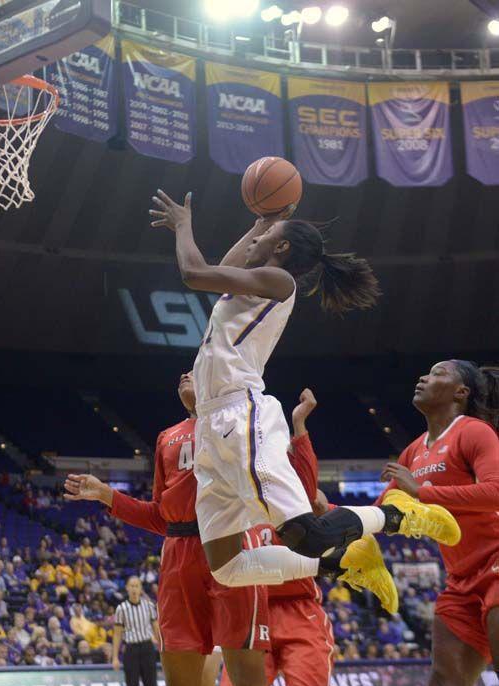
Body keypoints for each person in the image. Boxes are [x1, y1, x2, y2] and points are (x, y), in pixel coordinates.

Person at [148, 190, 459, 614]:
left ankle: (396, 515)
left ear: (282, 248)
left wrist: (184, 225)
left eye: (266, 236)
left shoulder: (280, 282)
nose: (255, 240)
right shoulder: (252, 281)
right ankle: (345, 560)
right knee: (227, 566)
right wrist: (260, 224)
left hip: (240, 417)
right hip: (211, 425)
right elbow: (221, 267)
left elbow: (195, 273)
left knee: (305, 533)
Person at [65, 373, 273, 686]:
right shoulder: (167, 437)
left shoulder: (241, 420)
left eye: (195, 369)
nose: (184, 375)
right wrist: (106, 494)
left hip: (229, 541)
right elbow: (162, 518)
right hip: (179, 553)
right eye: (182, 374)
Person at [377, 360, 499, 686]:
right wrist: (331, 513)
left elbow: (495, 492)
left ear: (460, 393)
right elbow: (385, 512)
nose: (424, 377)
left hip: (496, 560)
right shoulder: (413, 451)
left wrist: (424, 492)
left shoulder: (474, 432)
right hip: (461, 578)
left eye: (438, 374)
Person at [219, 389, 341, 686]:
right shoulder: (231, 483)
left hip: (299, 610)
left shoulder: (290, 485)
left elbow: (306, 475)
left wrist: (299, 424)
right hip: (250, 607)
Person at [112, 577, 159, 686]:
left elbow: (156, 628)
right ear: (127, 588)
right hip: (131, 650)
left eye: (136, 586)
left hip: (147, 649)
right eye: (131, 586)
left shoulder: (149, 606)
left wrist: (161, 647)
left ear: (140, 588)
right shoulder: (121, 609)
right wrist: (114, 657)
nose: (134, 589)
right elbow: (117, 633)